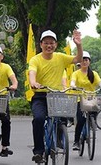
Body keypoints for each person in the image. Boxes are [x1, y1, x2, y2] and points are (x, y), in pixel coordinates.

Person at [28, 29, 83, 163]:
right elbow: (32, 73)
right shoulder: (35, 59)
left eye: (51, 43)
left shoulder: (60, 57)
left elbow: (78, 59)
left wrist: (78, 45)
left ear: (56, 44)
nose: (49, 45)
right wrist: (34, 83)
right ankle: (39, 152)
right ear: (41, 44)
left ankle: (59, 138)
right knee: (39, 119)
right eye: (46, 43)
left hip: (57, 96)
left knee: (62, 118)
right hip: (40, 96)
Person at [70, 51, 101, 151]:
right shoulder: (76, 73)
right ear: (79, 62)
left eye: (86, 60)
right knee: (81, 120)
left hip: (91, 99)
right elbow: (72, 82)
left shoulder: (94, 74)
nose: (84, 62)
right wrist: (73, 86)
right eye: (82, 60)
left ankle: (92, 122)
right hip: (80, 99)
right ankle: (76, 141)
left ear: (89, 62)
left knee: (94, 112)